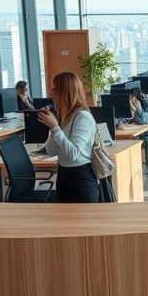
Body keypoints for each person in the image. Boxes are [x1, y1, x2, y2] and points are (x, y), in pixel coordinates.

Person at [38, 71, 100, 203]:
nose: (51, 93)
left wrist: (55, 127)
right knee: (65, 222)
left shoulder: (82, 117)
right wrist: (52, 127)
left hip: (81, 178)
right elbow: (51, 151)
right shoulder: (64, 116)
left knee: (84, 223)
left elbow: (73, 154)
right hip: (64, 176)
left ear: (64, 91)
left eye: (54, 89)